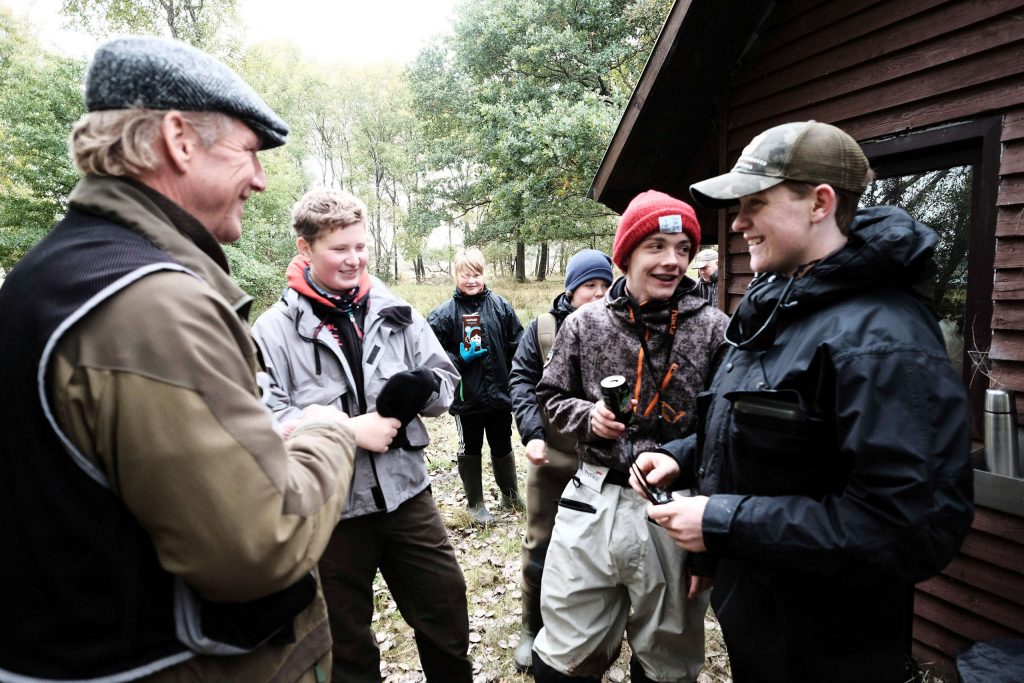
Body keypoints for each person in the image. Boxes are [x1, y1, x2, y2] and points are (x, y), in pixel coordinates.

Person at [0, 37, 359, 682]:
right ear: (179, 140)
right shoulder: (154, 305)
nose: (260, 178)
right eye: (248, 152)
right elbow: (260, 543)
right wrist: (327, 430)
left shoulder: (48, 275)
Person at [634, 121, 975, 682]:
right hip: (764, 627)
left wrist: (723, 523)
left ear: (820, 203)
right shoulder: (782, 304)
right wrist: (683, 457)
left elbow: (906, 527)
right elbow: (779, 434)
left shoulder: (882, 340)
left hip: (832, 649)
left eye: (755, 204)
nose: (737, 223)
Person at [252, 189, 473, 683]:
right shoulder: (272, 331)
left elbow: (447, 383)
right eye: (340, 249)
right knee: (346, 646)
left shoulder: (396, 310)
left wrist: (423, 386)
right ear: (306, 249)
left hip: (406, 495)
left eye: (360, 246)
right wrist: (347, 430)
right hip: (329, 510)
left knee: (445, 614)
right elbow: (264, 424)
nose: (354, 259)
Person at [531, 191, 729, 683]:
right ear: (626, 256)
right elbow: (550, 395)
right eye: (656, 246)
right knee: (564, 655)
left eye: (683, 248)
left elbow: (725, 433)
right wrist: (589, 417)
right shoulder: (585, 323)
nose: (672, 261)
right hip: (593, 499)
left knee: (668, 659)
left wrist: (708, 546)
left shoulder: (714, 330)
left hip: (675, 506)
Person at [508, 248, 614, 672]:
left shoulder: (621, 326)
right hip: (552, 457)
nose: (599, 293)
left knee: (601, 550)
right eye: (590, 285)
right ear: (571, 290)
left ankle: (594, 627)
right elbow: (520, 381)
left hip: (605, 465)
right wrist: (532, 434)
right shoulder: (543, 330)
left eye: (606, 285)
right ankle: (531, 626)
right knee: (542, 543)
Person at [428, 247, 524, 524]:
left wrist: (516, 383)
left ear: (484, 274)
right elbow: (430, 355)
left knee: (502, 443)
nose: (471, 280)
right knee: (470, 448)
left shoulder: (501, 306)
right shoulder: (444, 314)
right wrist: (459, 359)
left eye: (476, 274)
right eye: (465, 275)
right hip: (466, 398)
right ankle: (475, 504)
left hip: (500, 396)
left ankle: (510, 495)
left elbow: (518, 346)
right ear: (456, 275)